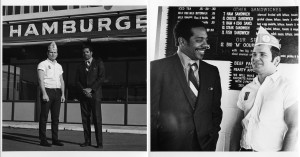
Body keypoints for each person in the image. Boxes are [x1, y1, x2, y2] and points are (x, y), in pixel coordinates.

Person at [151, 19, 223, 151]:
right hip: (170, 147)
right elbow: (152, 115)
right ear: (181, 41)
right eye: (199, 40)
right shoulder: (157, 68)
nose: (206, 45)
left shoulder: (212, 72)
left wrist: (212, 139)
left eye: (206, 40)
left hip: (204, 147)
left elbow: (215, 111)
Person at [230, 26, 298, 151]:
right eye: (254, 54)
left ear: (276, 60)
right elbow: (237, 126)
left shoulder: (287, 87)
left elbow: (294, 128)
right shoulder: (247, 89)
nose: (256, 58)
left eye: (263, 54)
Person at [76, 45, 105, 148]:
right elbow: (77, 81)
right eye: (84, 52)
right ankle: (87, 141)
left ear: (91, 53)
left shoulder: (98, 63)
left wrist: (91, 90)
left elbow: (101, 78)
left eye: (87, 52)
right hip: (84, 96)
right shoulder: (80, 66)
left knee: (97, 119)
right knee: (85, 119)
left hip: (95, 95)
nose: (85, 54)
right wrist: (84, 90)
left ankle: (99, 143)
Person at [37, 41, 65, 147]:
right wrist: (44, 93)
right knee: (44, 117)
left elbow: (62, 80)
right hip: (47, 91)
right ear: (47, 53)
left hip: (57, 92)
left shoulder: (59, 66)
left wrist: (62, 94)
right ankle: (43, 139)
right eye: (51, 52)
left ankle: (55, 139)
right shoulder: (43, 64)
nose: (53, 54)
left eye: (55, 52)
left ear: (57, 53)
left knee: (55, 118)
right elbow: (40, 79)